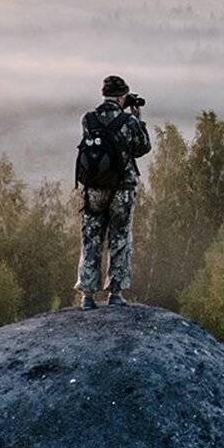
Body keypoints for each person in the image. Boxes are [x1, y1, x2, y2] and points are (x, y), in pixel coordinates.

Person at [74, 75, 151, 309]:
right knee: (119, 237)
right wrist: (138, 119)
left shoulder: (88, 120)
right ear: (122, 96)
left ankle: (87, 295)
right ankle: (115, 293)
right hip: (122, 189)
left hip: (94, 189)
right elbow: (142, 148)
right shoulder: (129, 122)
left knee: (91, 237)